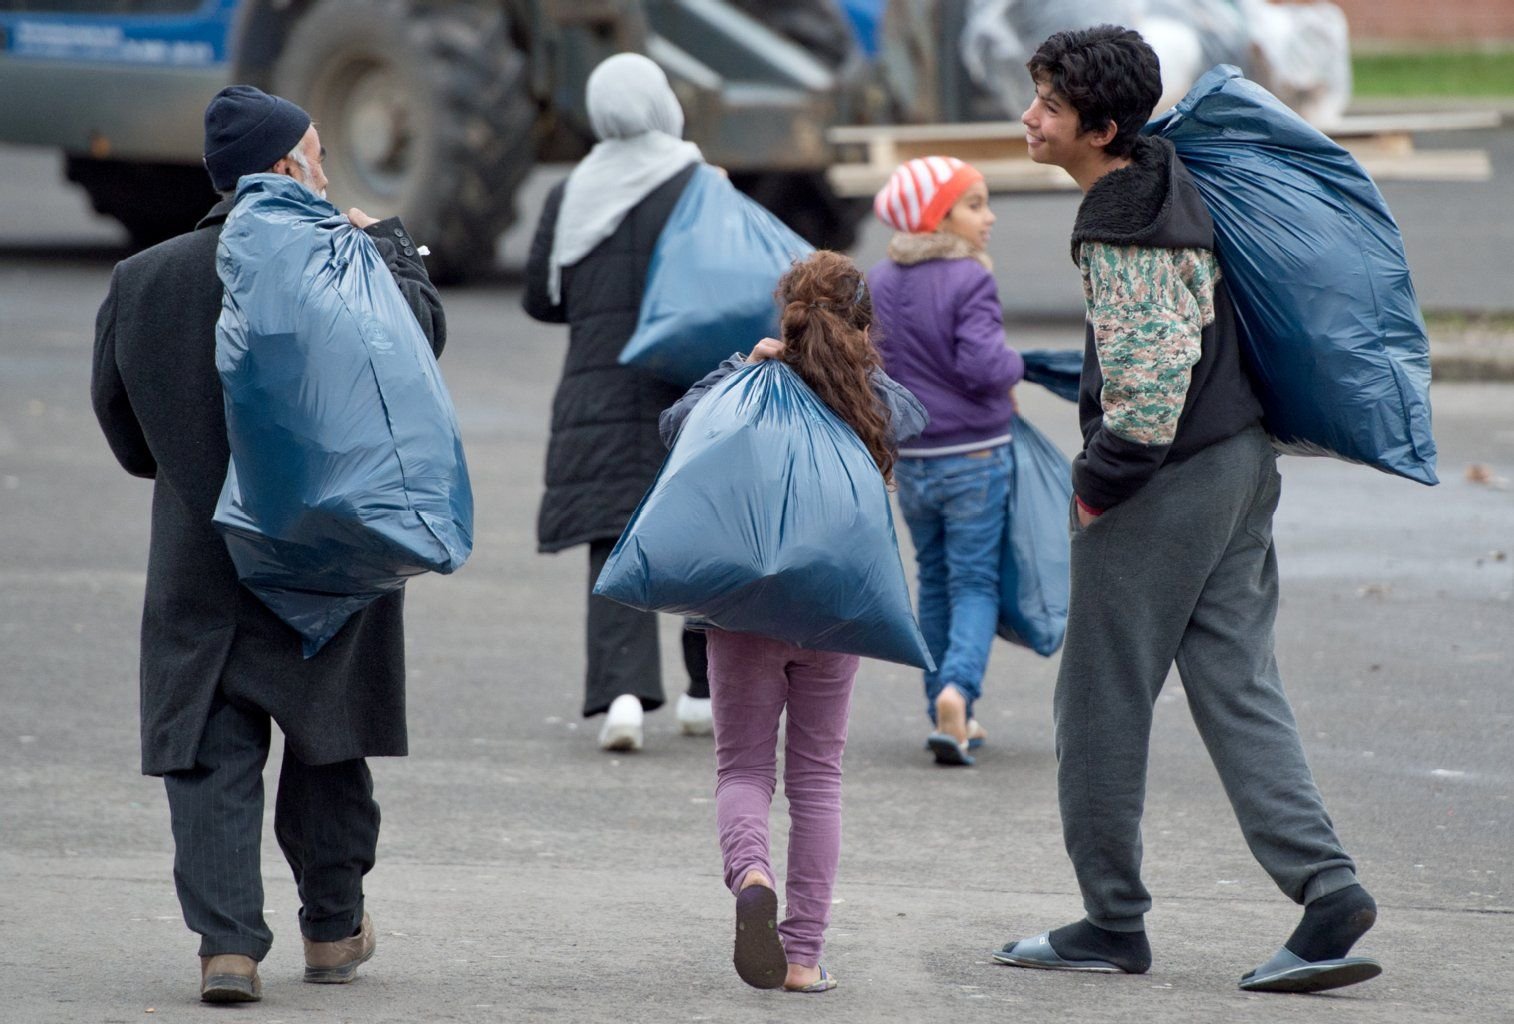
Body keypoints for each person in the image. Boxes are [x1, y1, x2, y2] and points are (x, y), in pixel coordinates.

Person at [991, 26, 1381, 994]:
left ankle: (1110, 921)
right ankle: (1325, 890)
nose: (1027, 118)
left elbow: (1150, 377)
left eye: (1046, 104)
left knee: (1097, 700)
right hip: (1240, 459)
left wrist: (1095, 484)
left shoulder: (1122, 215)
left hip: (1165, 479)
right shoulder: (1169, 169)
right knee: (1236, 684)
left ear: (1102, 127)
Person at [91, 85, 446, 1004]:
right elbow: (416, 364)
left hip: (197, 556)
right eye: (319, 153)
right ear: (287, 165)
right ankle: (332, 931)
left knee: (209, 748)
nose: (327, 171)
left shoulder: (143, 280)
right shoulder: (343, 260)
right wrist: (392, 252)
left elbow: (129, 440)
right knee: (329, 745)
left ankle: (227, 948)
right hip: (326, 554)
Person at [660, 251, 929, 993]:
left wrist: (741, 369)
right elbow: (914, 416)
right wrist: (854, 375)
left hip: (744, 605)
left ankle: (751, 873)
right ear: (865, 327)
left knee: (744, 768)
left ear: (785, 317)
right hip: (835, 612)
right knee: (817, 780)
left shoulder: (751, 383)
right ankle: (804, 956)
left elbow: (675, 427)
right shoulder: (874, 398)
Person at [523, 53, 712, 751]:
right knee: (703, 539)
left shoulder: (572, 193)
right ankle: (703, 692)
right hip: (686, 390)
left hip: (596, 389)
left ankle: (625, 699)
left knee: (613, 542)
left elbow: (541, 298)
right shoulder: (697, 183)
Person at [867, 156, 1025, 766]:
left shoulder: (880, 279)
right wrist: (1018, 366)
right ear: (940, 216)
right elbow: (985, 366)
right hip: (975, 456)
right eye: (975, 204)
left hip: (913, 458)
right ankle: (960, 689)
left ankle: (944, 711)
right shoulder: (969, 279)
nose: (989, 217)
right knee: (975, 580)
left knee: (933, 580)